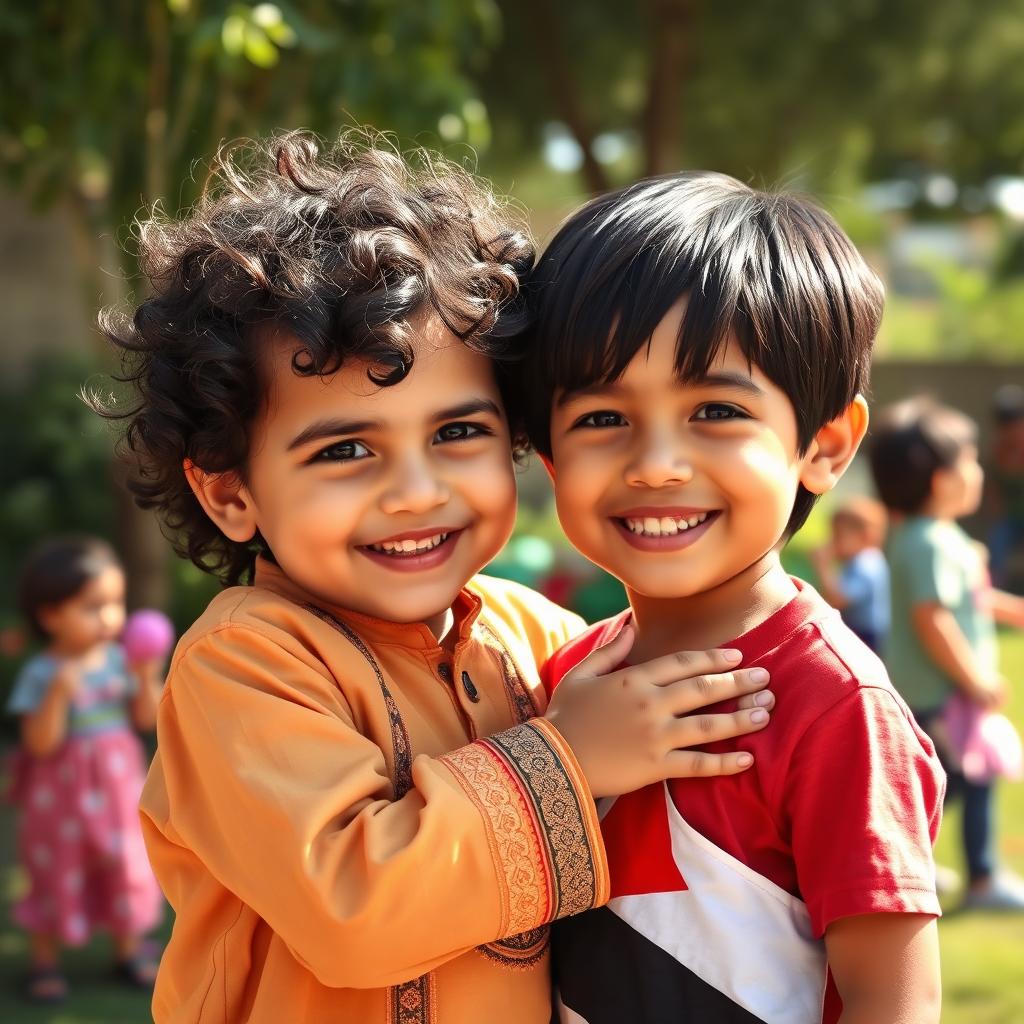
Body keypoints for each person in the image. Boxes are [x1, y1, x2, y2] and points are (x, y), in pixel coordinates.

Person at [95, 133, 776, 1024]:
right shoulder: (244, 665)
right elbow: (353, 907)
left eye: (458, 433)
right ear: (230, 493)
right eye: (345, 450)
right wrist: (570, 758)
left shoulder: (536, 638)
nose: (417, 493)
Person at [519, 172, 946, 1024]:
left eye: (715, 409)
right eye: (603, 418)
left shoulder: (835, 708)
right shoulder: (569, 676)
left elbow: (893, 1005)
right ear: (551, 455)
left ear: (823, 447)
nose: (657, 464)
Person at [870, 397, 1024, 910]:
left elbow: (970, 600)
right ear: (941, 480)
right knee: (952, 784)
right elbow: (931, 619)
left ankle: (916, 865)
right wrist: (975, 678)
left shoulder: (937, 537)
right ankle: (972, 878)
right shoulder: (928, 542)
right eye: (971, 460)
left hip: (944, 693)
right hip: (938, 695)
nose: (979, 471)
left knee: (952, 784)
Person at [5, 536, 164, 1003]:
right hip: (60, 799)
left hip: (117, 790)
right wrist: (57, 693)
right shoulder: (41, 671)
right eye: (93, 606)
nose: (111, 617)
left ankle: (129, 950)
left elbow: (146, 720)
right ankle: (44, 962)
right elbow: (39, 742)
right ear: (50, 615)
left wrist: (145, 677)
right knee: (57, 870)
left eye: (115, 603)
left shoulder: (119, 660)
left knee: (124, 865)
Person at [810, 497, 890, 653]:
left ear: (865, 536)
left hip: (866, 634)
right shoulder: (862, 560)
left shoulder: (866, 564)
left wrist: (822, 566)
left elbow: (837, 599)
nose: (833, 541)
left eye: (838, 535)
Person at [987, 383, 1024, 588]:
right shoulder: (999, 451)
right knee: (997, 541)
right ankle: (994, 591)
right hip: (1011, 519)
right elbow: (994, 489)